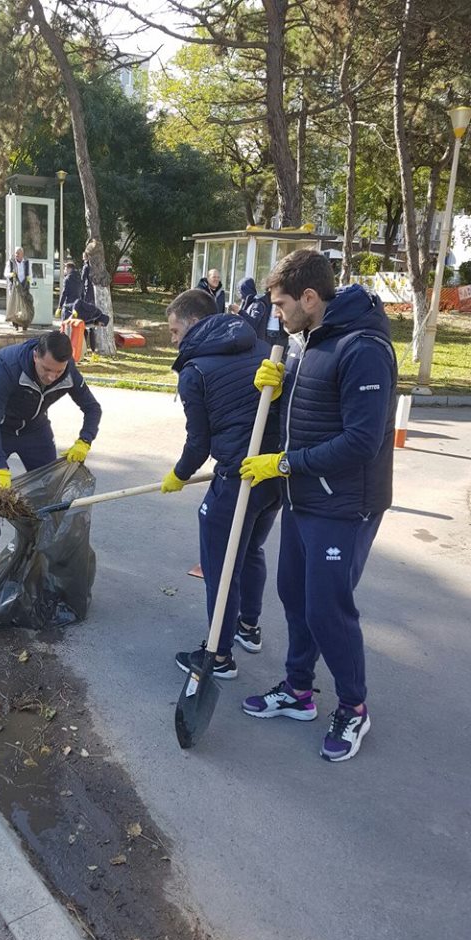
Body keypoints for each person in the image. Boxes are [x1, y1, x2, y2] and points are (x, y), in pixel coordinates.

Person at [239, 249, 397, 762]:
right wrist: (279, 390)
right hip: (306, 499)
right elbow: (312, 413)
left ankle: (354, 708)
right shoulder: (311, 340)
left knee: (329, 610)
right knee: (294, 595)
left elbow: (362, 441)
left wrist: (283, 465)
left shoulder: (364, 347)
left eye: (282, 305)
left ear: (310, 297)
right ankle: (299, 690)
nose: (276, 315)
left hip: (346, 505)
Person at [161, 288, 282, 678]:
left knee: (220, 564)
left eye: (175, 330)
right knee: (249, 551)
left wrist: (179, 474)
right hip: (273, 474)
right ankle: (249, 627)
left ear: (194, 323)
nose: (173, 339)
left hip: (238, 477)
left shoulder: (194, 372)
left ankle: (219, 654)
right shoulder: (259, 344)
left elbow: (198, 443)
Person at [0, 330, 102, 585]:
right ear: (35, 356)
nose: (52, 377)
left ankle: (41, 551)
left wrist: (85, 440)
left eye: (58, 371)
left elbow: (92, 408)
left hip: (33, 427)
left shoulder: (67, 372)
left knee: (49, 490)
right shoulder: (8, 367)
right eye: (46, 370)